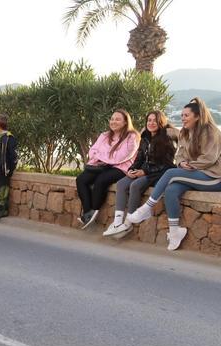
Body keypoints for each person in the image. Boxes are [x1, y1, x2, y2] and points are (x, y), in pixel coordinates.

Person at [126, 98, 221, 250]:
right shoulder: (184, 132)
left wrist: (188, 165)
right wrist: (182, 163)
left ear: (197, 116)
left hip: (213, 177)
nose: (182, 118)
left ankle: (147, 208)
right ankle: (175, 231)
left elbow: (209, 158)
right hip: (194, 174)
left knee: (170, 173)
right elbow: (180, 155)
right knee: (171, 190)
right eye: (182, 115)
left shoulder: (211, 131)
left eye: (186, 115)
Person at [103, 110, 178, 237]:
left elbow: (167, 164)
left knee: (135, 185)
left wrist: (144, 172)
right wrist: (131, 170)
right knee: (122, 183)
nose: (151, 123)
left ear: (161, 122)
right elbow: (139, 157)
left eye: (155, 120)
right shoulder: (145, 137)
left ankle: (128, 222)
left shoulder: (167, 139)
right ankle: (117, 223)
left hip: (159, 173)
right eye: (149, 120)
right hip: (144, 170)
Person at [75, 109, 139, 228]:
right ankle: (88, 212)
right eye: (112, 119)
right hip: (101, 166)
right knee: (81, 179)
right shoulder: (104, 135)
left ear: (125, 122)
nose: (114, 121)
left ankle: (94, 210)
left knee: (101, 180)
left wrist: (102, 157)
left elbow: (124, 155)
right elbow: (92, 151)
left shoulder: (132, 136)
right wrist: (102, 158)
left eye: (118, 119)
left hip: (121, 167)